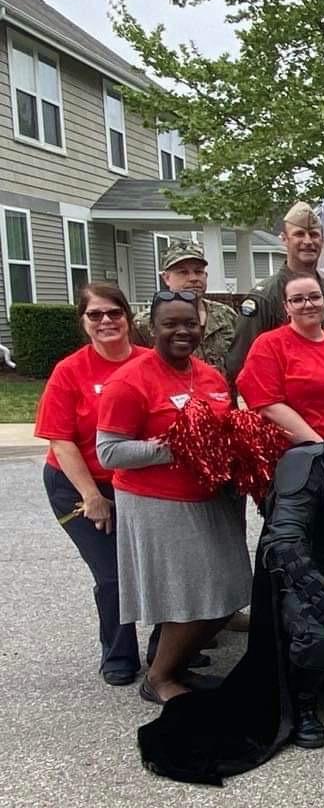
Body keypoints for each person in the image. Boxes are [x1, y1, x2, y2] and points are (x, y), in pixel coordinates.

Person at [135, 383, 324, 784]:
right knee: (322, 640)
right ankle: (303, 700)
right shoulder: (312, 467)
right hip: (312, 595)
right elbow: (285, 544)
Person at [96, 290, 251, 704]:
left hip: (211, 497)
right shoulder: (129, 381)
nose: (183, 331)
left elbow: (223, 430)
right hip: (157, 501)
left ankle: (177, 667)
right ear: (151, 328)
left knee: (229, 592)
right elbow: (109, 451)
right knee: (189, 597)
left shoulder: (211, 376)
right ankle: (160, 678)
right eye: (171, 323)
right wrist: (174, 446)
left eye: (190, 323)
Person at [34, 283, 148, 686]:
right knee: (113, 572)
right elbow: (60, 441)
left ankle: (167, 651)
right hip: (79, 485)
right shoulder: (70, 371)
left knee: (153, 567)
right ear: (83, 322)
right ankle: (118, 654)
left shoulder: (151, 363)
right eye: (95, 315)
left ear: (127, 318)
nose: (106, 321)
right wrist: (92, 497)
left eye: (113, 313)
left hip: (136, 484)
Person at [236, 274, 324, 443]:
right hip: (304, 454)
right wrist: (319, 448)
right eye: (297, 300)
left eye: (315, 297)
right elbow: (269, 407)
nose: (308, 305)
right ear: (286, 307)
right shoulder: (269, 345)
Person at [225, 202, 324, 381]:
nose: (307, 241)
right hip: (280, 400)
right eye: (299, 234)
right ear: (284, 239)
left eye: (314, 235)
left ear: (323, 241)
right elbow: (240, 362)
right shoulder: (264, 297)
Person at [133, 241, 238, 375]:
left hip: (220, 392)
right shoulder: (145, 322)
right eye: (183, 272)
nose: (193, 278)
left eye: (198, 272)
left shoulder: (226, 315)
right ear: (166, 278)